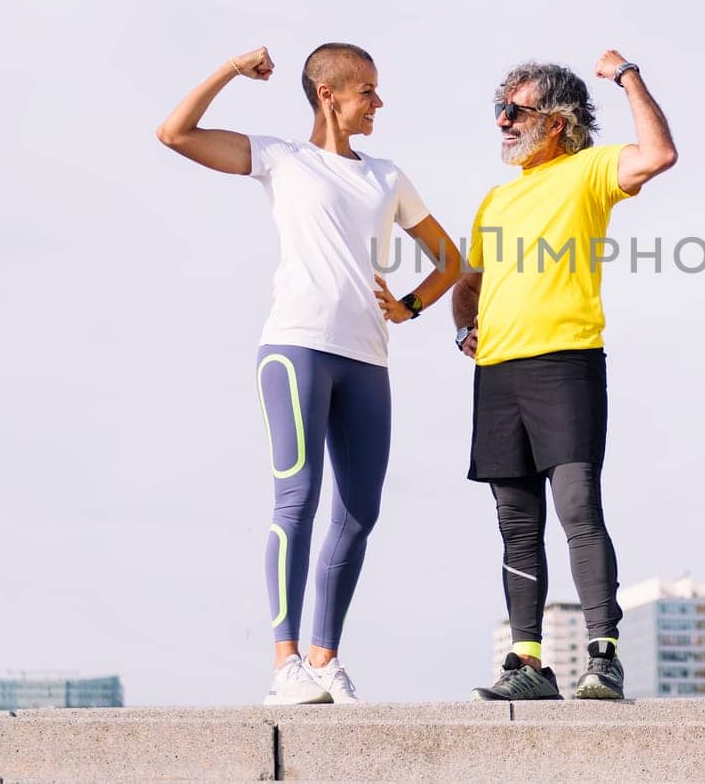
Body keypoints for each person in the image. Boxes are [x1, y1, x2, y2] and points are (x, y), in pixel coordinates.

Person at [156, 43, 460, 705]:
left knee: (359, 510)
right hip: (295, 347)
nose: (379, 103)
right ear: (330, 95)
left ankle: (325, 659)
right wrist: (232, 70)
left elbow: (450, 257)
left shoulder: (388, 176)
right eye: (368, 92)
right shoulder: (280, 157)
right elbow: (173, 132)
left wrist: (409, 306)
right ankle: (285, 664)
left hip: (368, 359)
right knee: (297, 498)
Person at [452, 49, 677, 700]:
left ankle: (603, 654)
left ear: (556, 120)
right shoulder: (495, 199)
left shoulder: (589, 169)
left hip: (564, 363)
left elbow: (658, 153)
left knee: (577, 507)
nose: (500, 121)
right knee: (515, 521)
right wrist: (463, 325)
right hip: (498, 374)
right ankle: (527, 662)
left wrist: (629, 74)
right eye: (498, 110)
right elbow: (470, 281)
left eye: (513, 110)